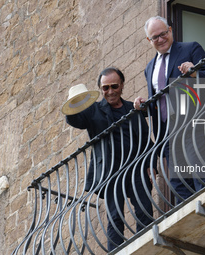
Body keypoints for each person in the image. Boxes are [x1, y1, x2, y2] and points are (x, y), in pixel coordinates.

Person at [66, 67, 156, 251]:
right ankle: (116, 251)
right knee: (115, 217)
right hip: (110, 172)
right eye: (105, 88)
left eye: (114, 86)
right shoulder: (94, 110)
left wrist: (151, 164)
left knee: (144, 209)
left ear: (122, 85)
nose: (110, 91)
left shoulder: (133, 108)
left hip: (136, 167)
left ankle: (146, 248)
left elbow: (146, 138)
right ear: (100, 89)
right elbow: (75, 120)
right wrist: (75, 102)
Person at [134, 16, 205, 203]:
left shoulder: (190, 48)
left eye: (163, 34)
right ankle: (190, 225)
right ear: (149, 41)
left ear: (170, 30)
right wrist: (143, 105)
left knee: (199, 172)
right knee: (179, 183)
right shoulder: (149, 68)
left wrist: (194, 72)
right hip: (167, 131)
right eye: (155, 37)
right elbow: (159, 100)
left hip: (192, 122)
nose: (160, 39)